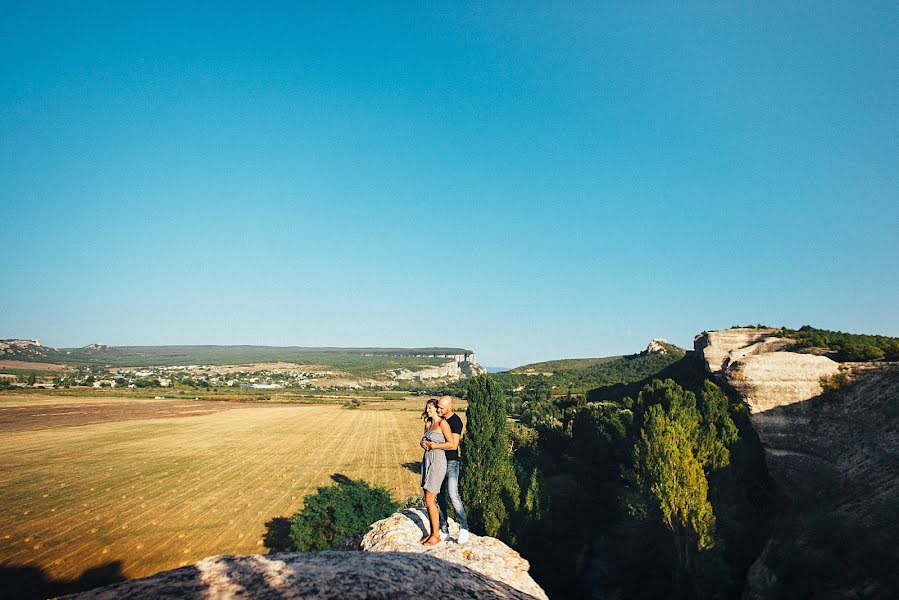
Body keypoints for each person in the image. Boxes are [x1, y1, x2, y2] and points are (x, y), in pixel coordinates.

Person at [421, 395, 469, 544]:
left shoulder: (455, 422)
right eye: (438, 407)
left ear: (450, 407)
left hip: (451, 462)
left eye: (441, 407)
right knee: (440, 497)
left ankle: (464, 528)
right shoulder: (436, 420)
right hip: (437, 462)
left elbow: (453, 445)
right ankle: (444, 530)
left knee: (453, 493)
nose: (439, 409)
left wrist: (433, 446)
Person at [419, 398, 453, 545]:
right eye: (427, 408)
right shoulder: (428, 424)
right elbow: (423, 440)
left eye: (430, 408)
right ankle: (434, 532)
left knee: (430, 499)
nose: (428, 411)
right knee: (429, 498)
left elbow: (451, 444)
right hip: (427, 461)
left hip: (438, 462)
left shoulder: (442, 423)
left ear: (436, 409)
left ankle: (436, 535)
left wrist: (434, 446)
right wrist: (422, 443)